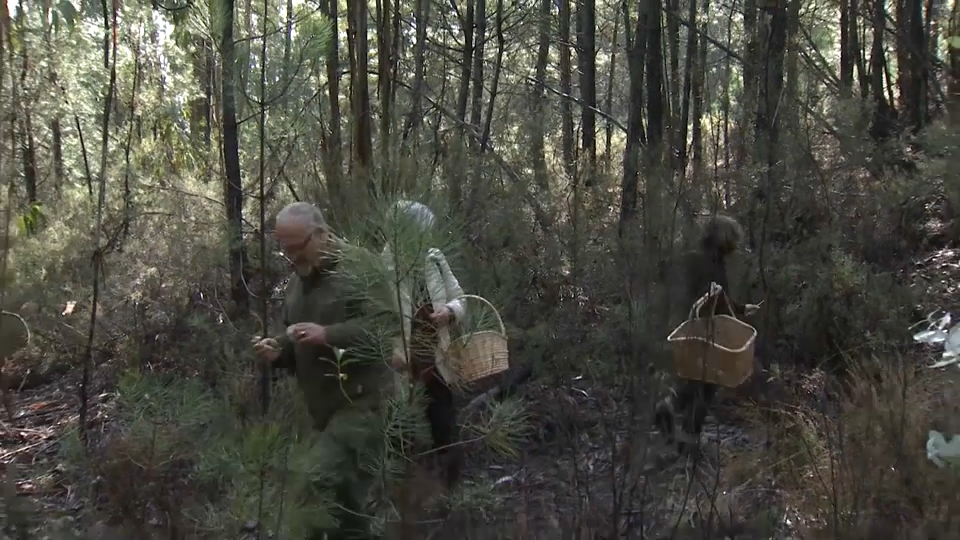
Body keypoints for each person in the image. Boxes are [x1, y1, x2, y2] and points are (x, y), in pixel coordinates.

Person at [252, 202, 389, 540]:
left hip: (362, 404)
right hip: (322, 413)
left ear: (322, 235)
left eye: (298, 248)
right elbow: (292, 335)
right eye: (286, 251)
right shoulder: (297, 283)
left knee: (314, 484)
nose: (292, 258)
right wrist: (277, 351)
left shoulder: (360, 267)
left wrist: (328, 335)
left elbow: (385, 329)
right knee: (346, 509)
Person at [654, 215, 761, 455]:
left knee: (689, 379)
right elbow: (719, 302)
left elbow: (669, 278)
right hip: (705, 333)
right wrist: (738, 312)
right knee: (707, 383)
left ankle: (668, 406)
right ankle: (689, 439)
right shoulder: (715, 266)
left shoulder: (690, 258)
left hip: (683, 328)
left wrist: (742, 308)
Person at [383, 199, 467, 488]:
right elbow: (373, 320)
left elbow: (460, 296)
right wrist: (388, 352)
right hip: (403, 363)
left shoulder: (434, 259)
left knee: (444, 422)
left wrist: (451, 311)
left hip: (438, 358)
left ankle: (450, 490)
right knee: (400, 431)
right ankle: (405, 494)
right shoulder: (383, 267)